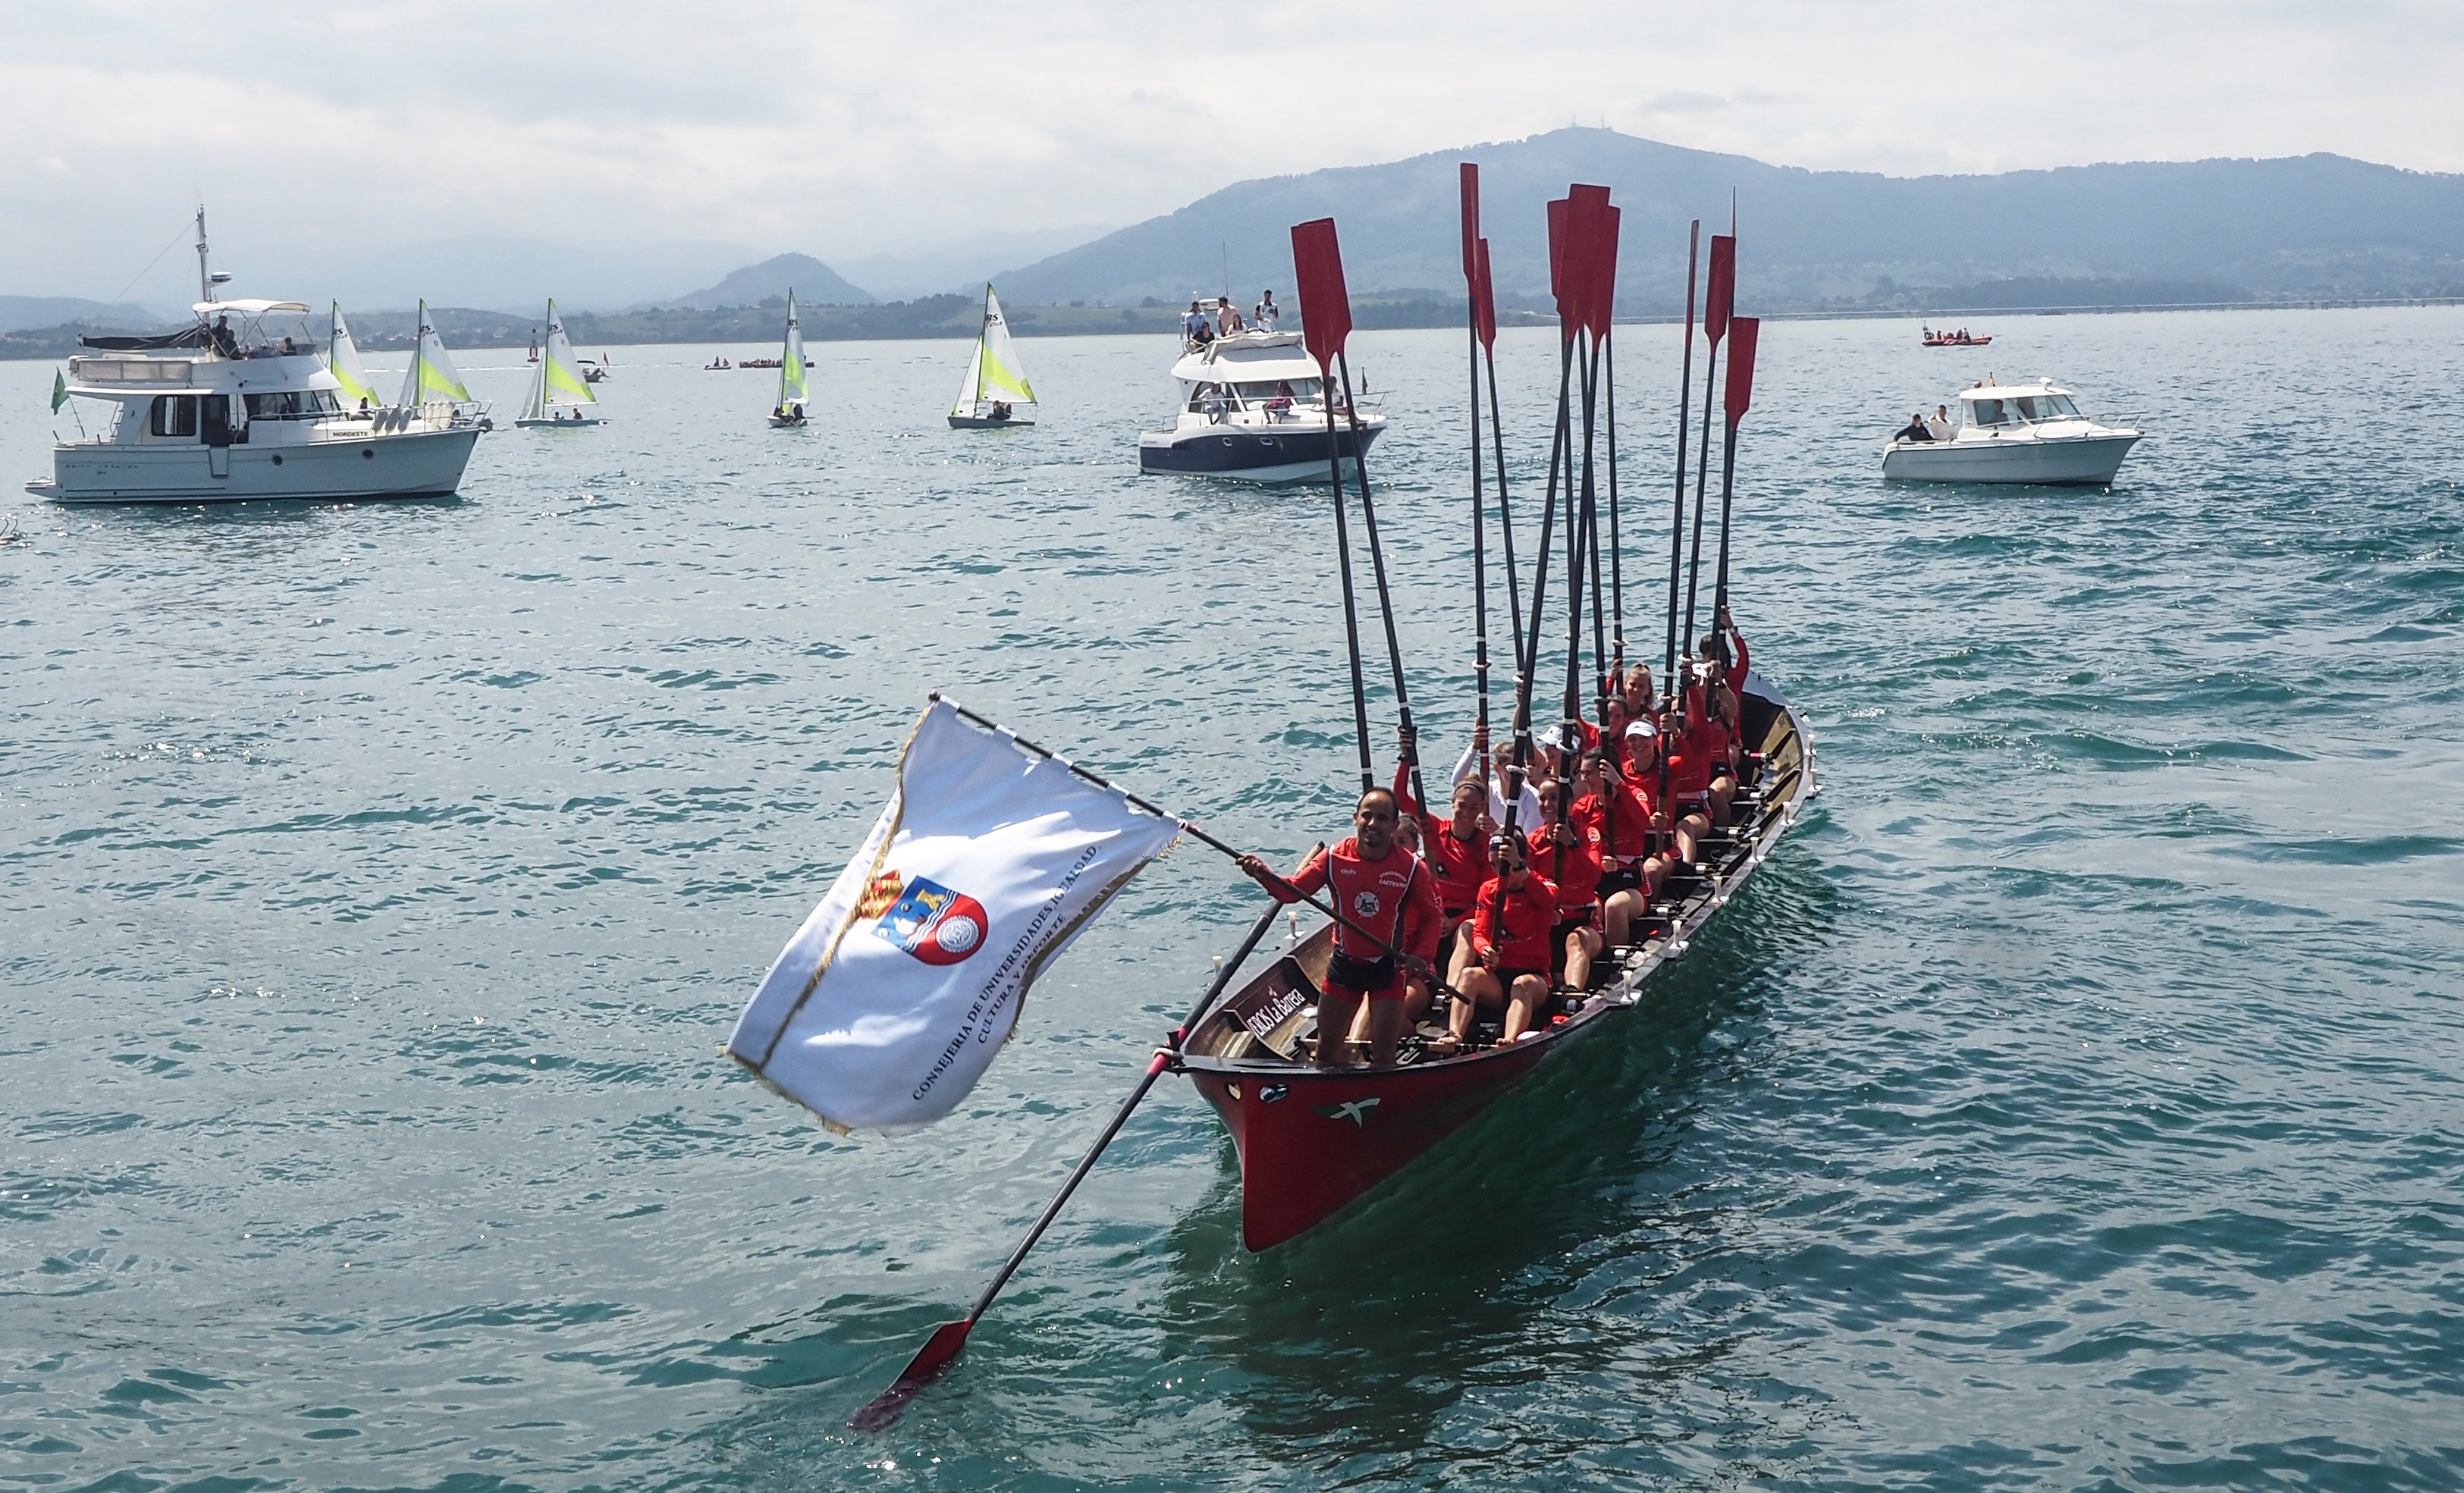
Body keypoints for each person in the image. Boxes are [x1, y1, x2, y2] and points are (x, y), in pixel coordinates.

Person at [1237, 787, 1439, 1069]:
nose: (1372, 824)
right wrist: (1263, 874)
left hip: (1389, 968)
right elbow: (1292, 893)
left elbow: (1433, 917)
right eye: (1367, 816)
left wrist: (1423, 956)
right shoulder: (1333, 858)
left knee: (1384, 1058)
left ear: (1394, 826)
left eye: (1382, 818)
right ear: (1355, 818)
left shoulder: (1412, 869)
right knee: (1327, 1051)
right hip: (1345, 966)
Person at [1439, 833, 1558, 1054]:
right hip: (1497, 979)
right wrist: (1486, 950)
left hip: (1534, 979)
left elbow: (1547, 901)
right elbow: (1480, 933)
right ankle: (1454, 1035)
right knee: (1468, 975)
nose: (1498, 871)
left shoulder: (1545, 886)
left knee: (1522, 984)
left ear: (1520, 860)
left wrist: (1520, 868)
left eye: (1503, 866)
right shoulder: (1488, 890)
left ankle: (1509, 1040)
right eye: (1493, 864)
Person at [1530, 778, 1605, 994]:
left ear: (1570, 803)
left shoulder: (1589, 835)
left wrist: (1571, 844)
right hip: (1548, 923)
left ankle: (1572, 995)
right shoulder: (1532, 842)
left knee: (1575, 939)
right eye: (1542, 799)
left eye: (1554, 798)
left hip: (1584, 922)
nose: (1547, 805)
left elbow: (1593, 876)